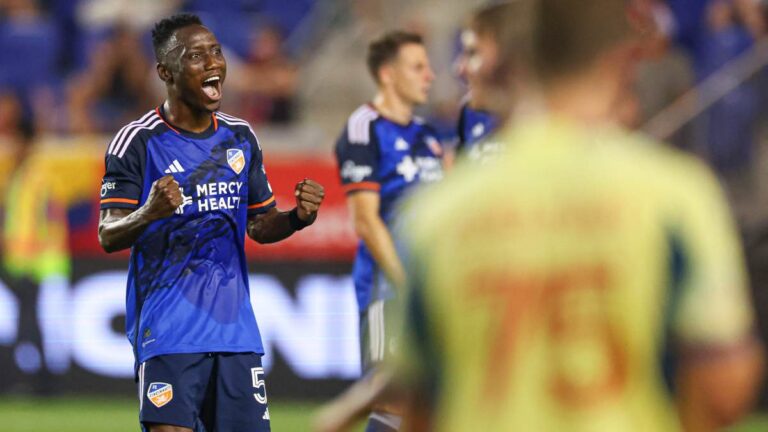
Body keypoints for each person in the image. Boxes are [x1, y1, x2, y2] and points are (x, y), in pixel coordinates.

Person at [393, 0, 764, 431]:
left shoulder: (438, 212)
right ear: (621, 61)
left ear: (511, 63)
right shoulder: (674, 195)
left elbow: (418, 401)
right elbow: (722, 384)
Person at [97, 13, 325, 432]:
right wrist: (149, 212)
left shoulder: (241, 137)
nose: (214, 63)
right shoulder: (138, 140)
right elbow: (108, 234)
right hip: (168, 334)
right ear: (166, 71)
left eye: (217, 52)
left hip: (236, 335)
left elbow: (260, 224)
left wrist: (297, 218)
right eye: (197, 55)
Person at [333, 30, 442, 432]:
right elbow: (366, 220)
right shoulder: (364, 129)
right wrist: (410, 281)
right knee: (391, 401)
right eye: (418, 66)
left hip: (430, 289)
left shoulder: (428, 136)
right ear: (387, 75)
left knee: (430, 407)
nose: (430, 75)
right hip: (389, 293)